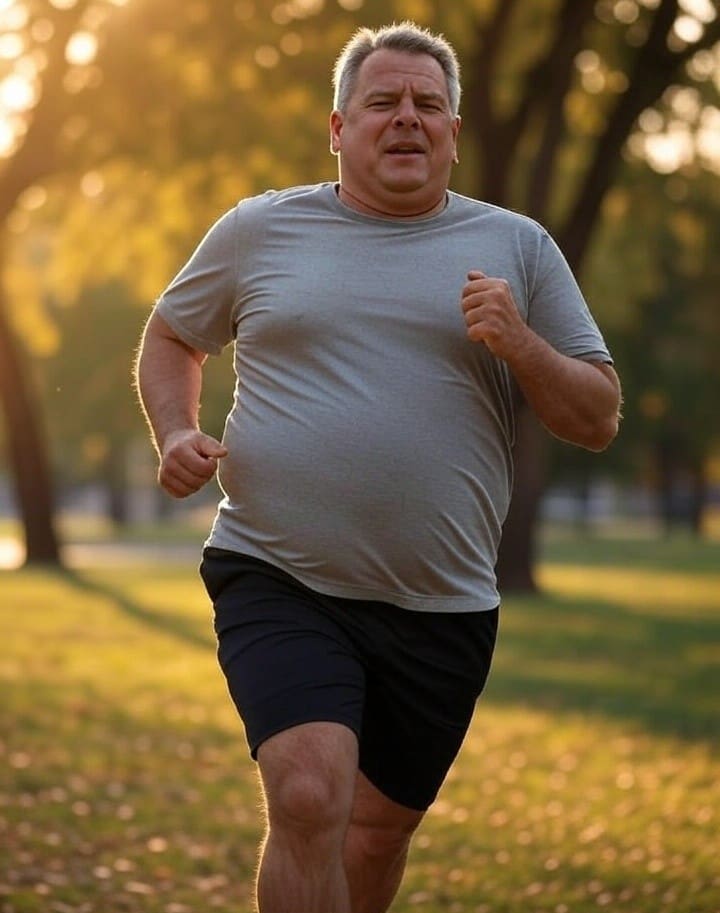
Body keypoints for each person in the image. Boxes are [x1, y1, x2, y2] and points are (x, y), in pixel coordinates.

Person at [134, 21, 621, 913]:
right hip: (278, 569)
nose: (407, 119)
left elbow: (595, 415)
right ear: (337, 127)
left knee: (375, 831)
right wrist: (174, 430)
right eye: (383, 103)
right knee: (311, 795)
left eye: (428, 104)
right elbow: (172, 334)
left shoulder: (518, 249)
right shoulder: (261, 229)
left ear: (454, 133)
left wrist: (521, 343)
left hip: (441, 603)